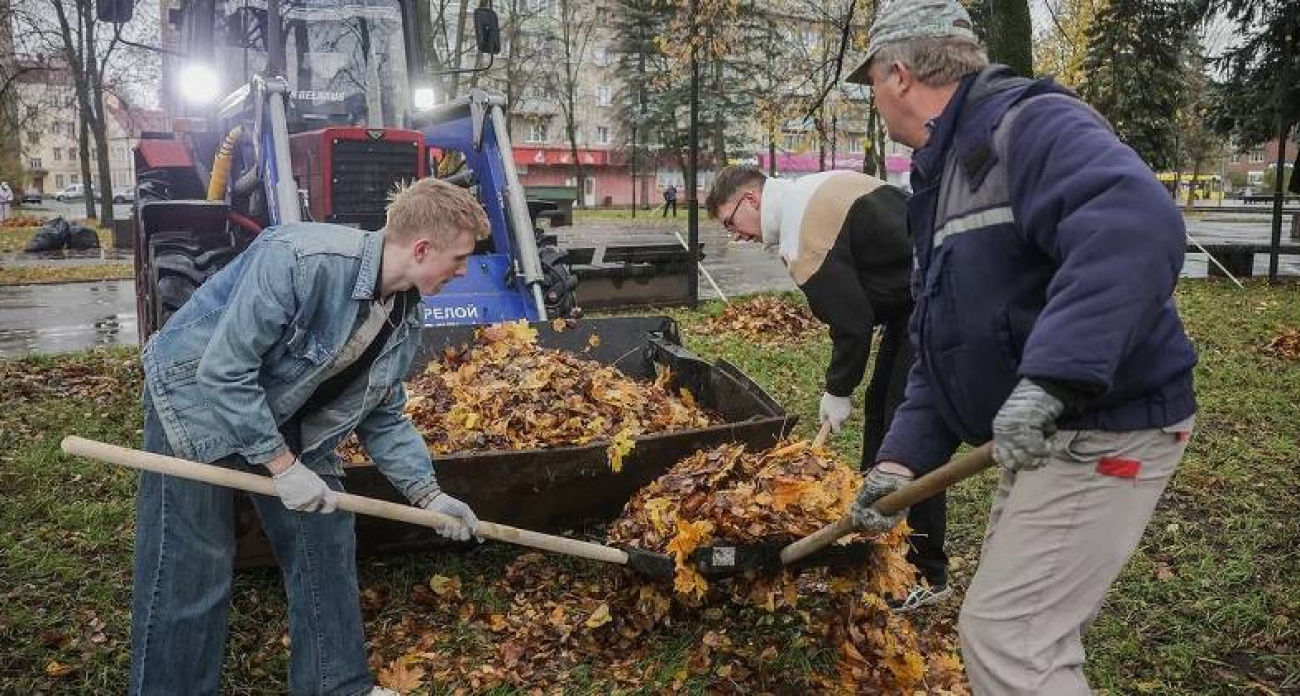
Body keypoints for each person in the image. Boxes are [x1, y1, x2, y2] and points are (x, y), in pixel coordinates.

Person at [844, 1, 1198, 694]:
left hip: (1106, 424)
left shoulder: (1031, 126)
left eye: (873, 83)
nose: (876, 101)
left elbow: (1135, 225)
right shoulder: (944, 176)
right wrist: (898, 463)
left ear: (900, 75)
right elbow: (944, 343)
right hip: (1051, 434)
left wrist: (1052, 380)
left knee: (1012, 638)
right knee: (1009, 627)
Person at [131, 178, 486, 695]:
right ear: (422, 248)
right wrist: (281, 465)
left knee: (325, 533)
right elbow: (224, 372)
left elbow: (384, 416)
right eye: (459, 258)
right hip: (195, 398)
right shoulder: (301, 260)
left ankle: (334, 686)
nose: (463, 271)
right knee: (192, 564)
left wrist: (430, 497)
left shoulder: (404, 316)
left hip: (282, 404)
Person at [704, 164, 950, 610]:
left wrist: (837, 391)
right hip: (918, 295)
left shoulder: (802, 236)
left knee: (908, 434)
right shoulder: (810, 188)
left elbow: (852, 324)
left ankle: (923, 572)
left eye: (730, 223)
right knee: (882, 410)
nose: (735, 235)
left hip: (939, 298)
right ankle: (877, 543)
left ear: (751, 200)